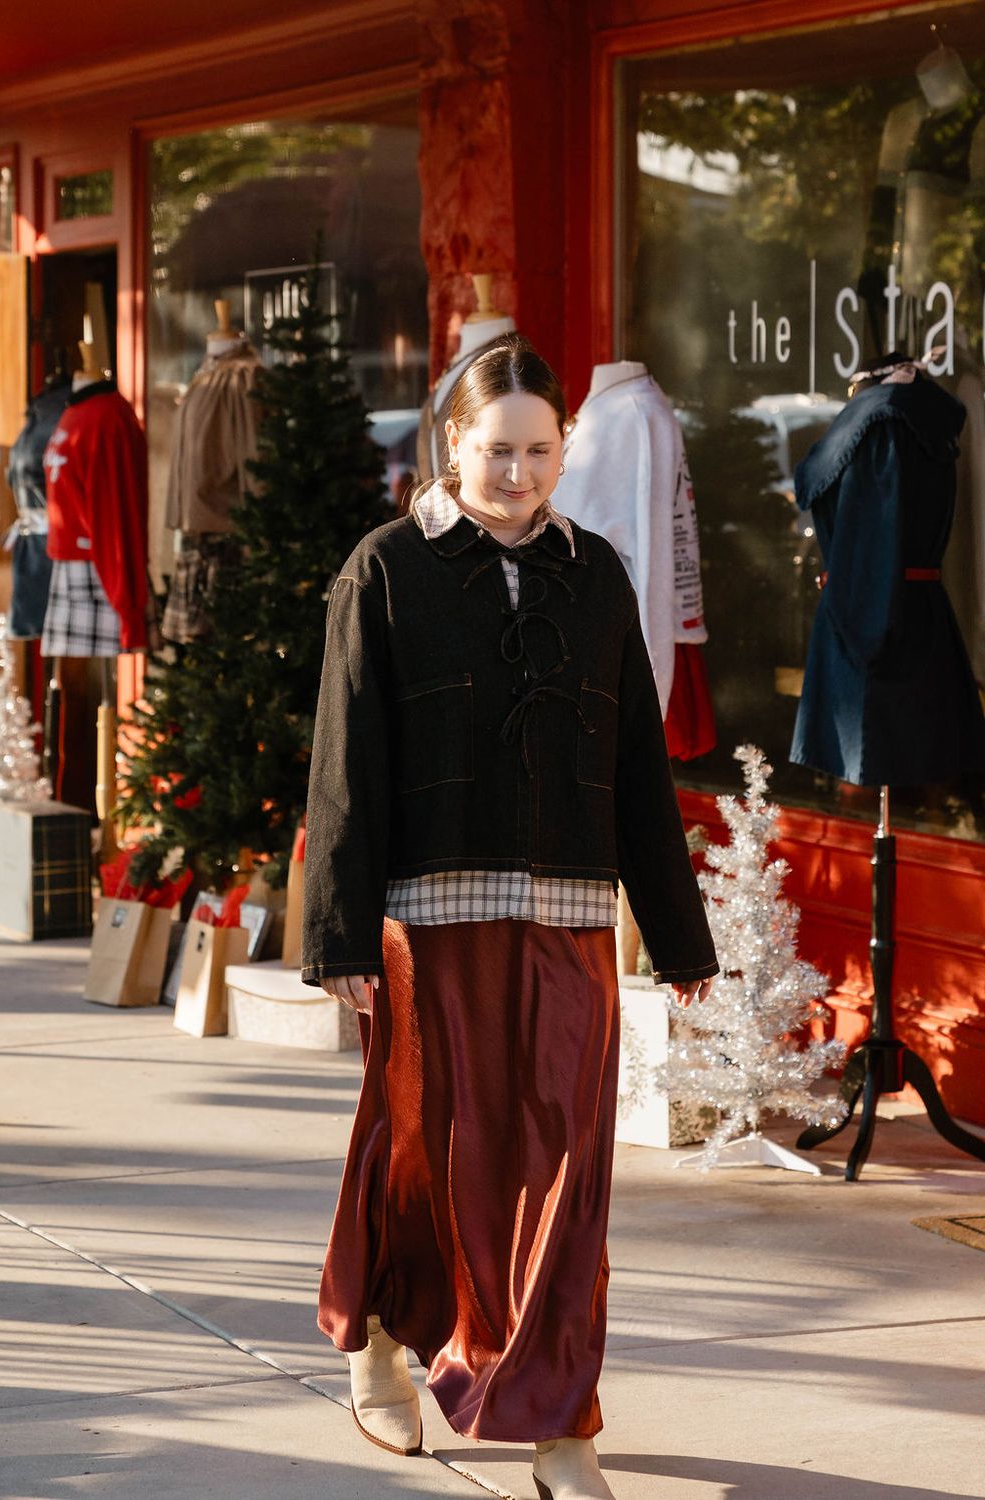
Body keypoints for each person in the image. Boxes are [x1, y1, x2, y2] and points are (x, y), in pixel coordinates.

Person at [302, 335, 717, 1500]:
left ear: (563, 449)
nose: (520, 474)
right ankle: (387, 1333)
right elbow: (346, 763)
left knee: (563, 1176)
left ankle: (557, 1422)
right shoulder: (384, 569)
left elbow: (638, 765)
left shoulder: (600, 575)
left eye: (540, 451)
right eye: (498, 451)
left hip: (572, 915)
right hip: (427, 925)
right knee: (431, 1157)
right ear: (451, 445)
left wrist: (678, 936)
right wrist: (340, 936)